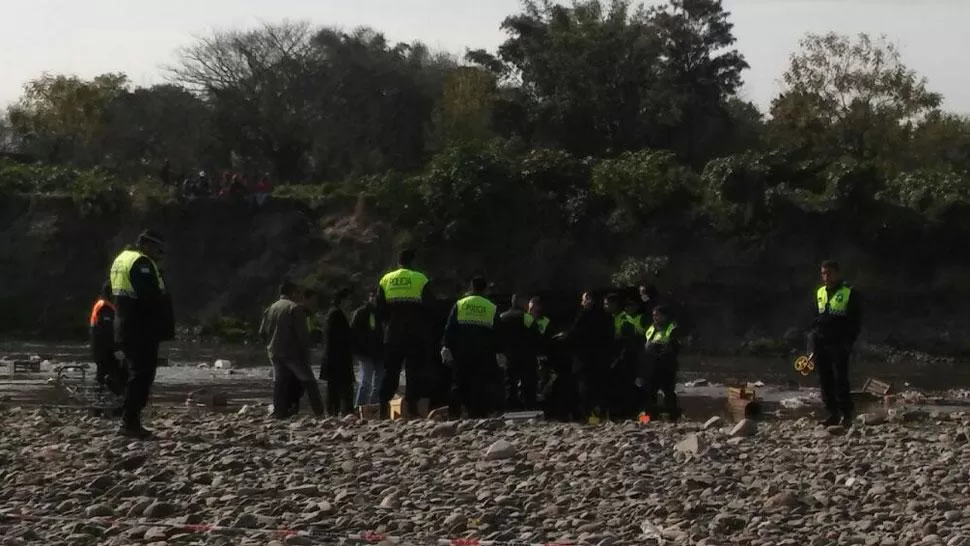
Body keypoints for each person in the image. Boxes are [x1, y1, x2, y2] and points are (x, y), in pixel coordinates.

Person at [108, 230, 175, 438]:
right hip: (141, 328)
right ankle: (130, 422)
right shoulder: (141, 263)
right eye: (157, 248)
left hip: (126, 325)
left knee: (135, 373)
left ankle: (129, 418)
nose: (158, 254)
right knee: (142, 375)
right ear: (145, 244)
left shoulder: (122, 259)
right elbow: (150, 298)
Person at [377, 249, 433, 418]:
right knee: (413, 372)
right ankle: (413, 408)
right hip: (415, 334)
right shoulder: (420, 279)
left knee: (390, 372)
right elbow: (430, 308)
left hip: (393, 334)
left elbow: (380, 310)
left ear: (398, 262)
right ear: (413, 262)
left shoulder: (386, 280)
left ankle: (383, 409)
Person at [259, 280, 325, 419]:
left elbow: (262, 332)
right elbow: (302, 334)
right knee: (309, 382)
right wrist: (306, 352)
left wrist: (269, 344)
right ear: (292, 293)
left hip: (274, 351)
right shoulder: (294, 308)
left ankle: (279, 412)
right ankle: (319, 413)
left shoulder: (271, 308)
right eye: (297, 292)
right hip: (292, 352)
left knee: (280, 383)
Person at [810, 260, 861, 426]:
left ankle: (846, 414)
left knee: (840, 379)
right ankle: (832, 413)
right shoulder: (820, 292)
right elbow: (817, 318)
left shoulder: (849, 292)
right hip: (821, 341)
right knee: (825, 379)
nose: (826, 276)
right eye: (823, 273)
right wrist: (813, 342)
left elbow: (855, 321)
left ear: (837, 273)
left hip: (839, 342)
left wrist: (849, 343)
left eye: (829, 273)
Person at [442, 277, 501, 418]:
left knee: (458, 383)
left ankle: (454, 414)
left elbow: (450, 328)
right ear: (485, 289)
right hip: (483, 352)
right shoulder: (491, 307)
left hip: (461, 352)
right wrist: (499, 352)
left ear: (471, 287)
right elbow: (498, 332)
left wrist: (446, 347)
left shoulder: (461, 304)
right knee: (479, 384)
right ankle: (477, 415)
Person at [556, 291, 613, 421]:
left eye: (583, 299)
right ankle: (602, 416)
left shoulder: (584, 315)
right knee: (600, 389)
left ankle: (590, 418)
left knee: (585, 389)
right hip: (602, 359)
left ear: (588, 299)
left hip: (585, 358)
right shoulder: (606, 316)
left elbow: (576, 331)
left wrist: (565, 337)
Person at [639, 305, 682, 422]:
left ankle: (672, 419)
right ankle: (647, 418)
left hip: (666, 365)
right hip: (651, 365)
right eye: (654, 315)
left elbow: (674, 347)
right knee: (649, 392)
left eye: (657, 315)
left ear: (665, 316)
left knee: (668, 392)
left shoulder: (672, 328)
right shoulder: (652, 328)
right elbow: (646, 345)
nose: (655, 318)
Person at [498, 294, 539, 410]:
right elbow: (536, 337)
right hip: (526, 356)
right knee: (528, 384)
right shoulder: (527, 318)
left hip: (509, 355)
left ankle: (511, 408)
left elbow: (496, 336)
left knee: (510, 384)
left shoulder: (502, 317)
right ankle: (529, 407)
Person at [322, 288, 354, 416]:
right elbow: (338, 337)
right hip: (337, 357)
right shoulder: (336, 314)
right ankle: (344, 411)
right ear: (343, 300)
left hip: (334, 356)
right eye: (348, 299)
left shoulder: (333, 313)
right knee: (342, 387)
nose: (350, 302)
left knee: (334, 387)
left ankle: (334, 412)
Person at [605, 293, 638, 419]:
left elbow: (628, 342)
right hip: (611, 357)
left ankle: (627, 416)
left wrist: (619, 358)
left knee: (624, 387)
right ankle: (613, 416)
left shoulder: (625, 319)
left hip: (623, 358)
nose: (605, 306)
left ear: (615, 304)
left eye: (607, 304)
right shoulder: (607, 318)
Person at [89, 282, 125, 396]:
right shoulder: (105, 307)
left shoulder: (104, 305)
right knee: (114, 376)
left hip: (101, 348)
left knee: (102, 375)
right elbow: (107, 332)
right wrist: (116, 349)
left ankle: (99, 404)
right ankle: (111, 405)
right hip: (105, 349)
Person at [351, 292, 384, 407]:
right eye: (373, 297)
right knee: (366, 381)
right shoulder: (361, 312)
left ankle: (375, 407)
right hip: (364, 352)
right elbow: (353, 332)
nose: (375, 300)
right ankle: (360, 406)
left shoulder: (382, 312)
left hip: (379, 353)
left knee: (379, 382)